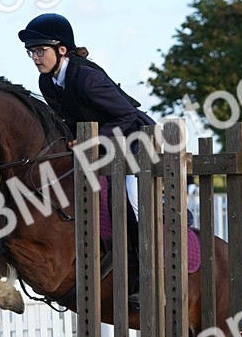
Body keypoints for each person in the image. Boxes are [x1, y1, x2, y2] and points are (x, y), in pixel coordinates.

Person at [18, 13, 155, 218]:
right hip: (102, 144)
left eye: (40, 50)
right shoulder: (46, 81)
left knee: (132, 199)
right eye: (31, 52)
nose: (35, 57)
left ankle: (152, 237)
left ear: (62, 50)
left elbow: (126, 114)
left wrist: (92, 139)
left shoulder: (87, 78)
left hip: (135, 138)